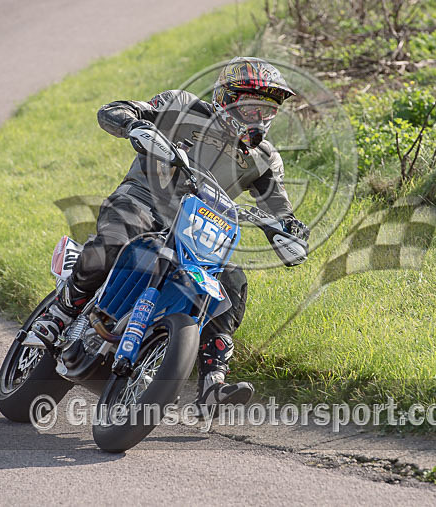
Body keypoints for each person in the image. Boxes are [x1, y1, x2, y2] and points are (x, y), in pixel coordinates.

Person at [30, 57, 310, 408]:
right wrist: (133, 125)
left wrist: (288, 230)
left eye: (266, 109)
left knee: (231, 283)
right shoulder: (182, 106)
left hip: (199, 229)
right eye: (250, 107)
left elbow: (279, 208)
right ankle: (63, 311)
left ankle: (212, 383)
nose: (257, 117)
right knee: (116, 241)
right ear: (226, 97)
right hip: (144, 199)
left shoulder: (264, 158)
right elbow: (115, 109)